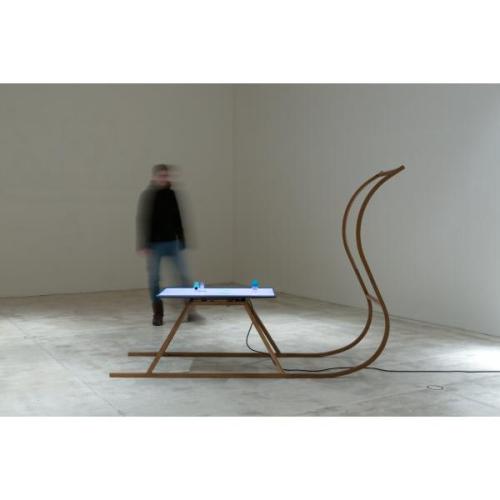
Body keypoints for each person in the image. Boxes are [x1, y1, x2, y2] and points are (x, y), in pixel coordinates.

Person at [136, 164, 201, 325]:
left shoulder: (172, 195)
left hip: (173, 243)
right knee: (154, 280)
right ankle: (158, 314)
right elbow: (143, 219)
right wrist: (143, 244)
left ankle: (190, 311)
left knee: (184, 276)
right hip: (154, 245)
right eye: (161, 176)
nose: (164, 178)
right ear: (154, 177)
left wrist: (182, 239)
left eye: (166, 176)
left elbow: (178, 217)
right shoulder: (148, 195)